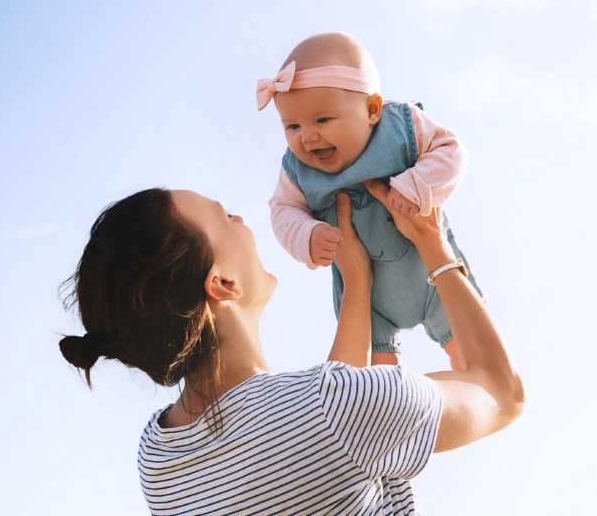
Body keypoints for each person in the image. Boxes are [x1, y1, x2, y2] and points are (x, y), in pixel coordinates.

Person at [59, 181, 524, 515]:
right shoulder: (339, 410)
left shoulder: (160, 459)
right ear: (222, 283)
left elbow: (319, 441)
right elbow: (503, 393)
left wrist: (357, 282)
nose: (241, 220)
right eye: (226, 218)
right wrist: (433, 245)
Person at [258, 31, 482, 366]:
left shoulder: (401, 126)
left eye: (322, 119)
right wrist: (307, 235)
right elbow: (283, 210)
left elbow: (451, 152)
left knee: (472, 357)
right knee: (376, 383)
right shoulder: (296, 172)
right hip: (369, 298)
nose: (308, 136)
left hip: (433, 274)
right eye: (292, 126)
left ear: (372, 109)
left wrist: (417, 185)